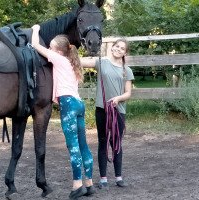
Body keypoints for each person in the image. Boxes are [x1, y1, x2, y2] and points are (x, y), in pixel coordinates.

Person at [31, 24, 95, 200]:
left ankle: (77, 185)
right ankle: (89, 183)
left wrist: (35, 29)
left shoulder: (58, 59)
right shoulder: (71, 62)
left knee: (72, 146)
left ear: (58, 51)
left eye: (51, 48)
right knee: (83, 146)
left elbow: (36, 45)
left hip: (68, 104)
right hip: (79, 104)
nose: (49, 50)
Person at [80, 38, 134, 189]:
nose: (118, 49)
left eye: (122, 48)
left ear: (125, 52)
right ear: (112, 48)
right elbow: (80, 62)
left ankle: (118, 177)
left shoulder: (126, 70)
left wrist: (118, 98)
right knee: (103, 142)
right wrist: (64, 54)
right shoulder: (101, 62)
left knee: (116, 143)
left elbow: (128, 93)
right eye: (117, 46)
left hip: (118, 111)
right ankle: (103, 178)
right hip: (102, 110)